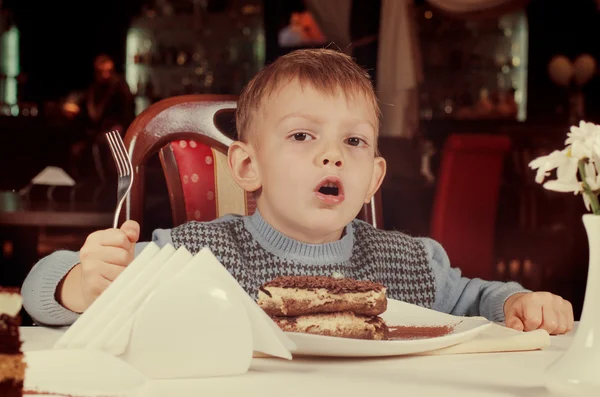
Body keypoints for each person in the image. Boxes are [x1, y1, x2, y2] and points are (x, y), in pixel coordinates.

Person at [21, 49, 574, 335]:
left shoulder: (414, 264)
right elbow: (37, 287)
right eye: (302, 135)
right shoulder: (191, 257)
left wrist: (518, 303)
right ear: (246, 165)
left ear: (374, 177)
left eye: (353, 141)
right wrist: (78, 285)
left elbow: (476, 302)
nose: (331, 155)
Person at [64, 54, 135, 181]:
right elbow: (85, 107)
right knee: (78, 150)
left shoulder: (120, 87)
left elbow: (127, 111)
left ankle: (109, 183)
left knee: (107, 149)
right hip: (95, 132)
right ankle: (88, 183)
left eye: (108, 71)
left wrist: (120, 127)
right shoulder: (93, 89)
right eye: (101, 71)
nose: (105, 75)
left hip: (114, 132)